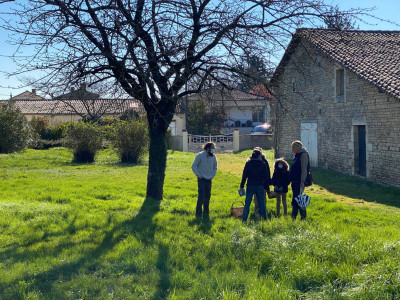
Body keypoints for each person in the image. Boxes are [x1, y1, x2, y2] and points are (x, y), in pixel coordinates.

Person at [239, 149, 269, 221]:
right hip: (260, 185)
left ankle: (244, 219)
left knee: (247, 203)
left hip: (250, 184)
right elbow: (266, 177)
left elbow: (244, 176)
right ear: (259, 156)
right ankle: (264, 219)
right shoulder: (263, 164)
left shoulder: (248, 164)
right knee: (261, 203)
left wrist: (242, 185)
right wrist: (267, 187)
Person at [191, 142, 218, 217]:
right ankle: (198, 214)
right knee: (201, 197)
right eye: (212, 148)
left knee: (208, 196)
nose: (213, 150)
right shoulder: (200, 155)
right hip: (201, 179)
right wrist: (199, 175)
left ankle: (206, 213)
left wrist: (212, 175)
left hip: (209, 179)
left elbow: (215, 167)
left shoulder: (214, 156)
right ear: (207, 148)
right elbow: (193, 166)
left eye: (214, 148)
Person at [289, 140, 310, 220]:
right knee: (296, 198)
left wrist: (302, 181)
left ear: (297, 148)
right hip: (295, 181)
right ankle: (294, 216)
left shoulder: (303, 155)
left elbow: (304, 169)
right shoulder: (297, 155)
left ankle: (301, 217)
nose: (292, 150)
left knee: (299, 199)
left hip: (299, 181)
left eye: (293, 148)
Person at [252, 147, 271, 215]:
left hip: (261, 183)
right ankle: (259, 211)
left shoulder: (264, 161)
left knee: (261, 197)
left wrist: (268, 182)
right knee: (258, 198)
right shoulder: (262, 161)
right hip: (258, 183)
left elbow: (267, 173)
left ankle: (261, 211)